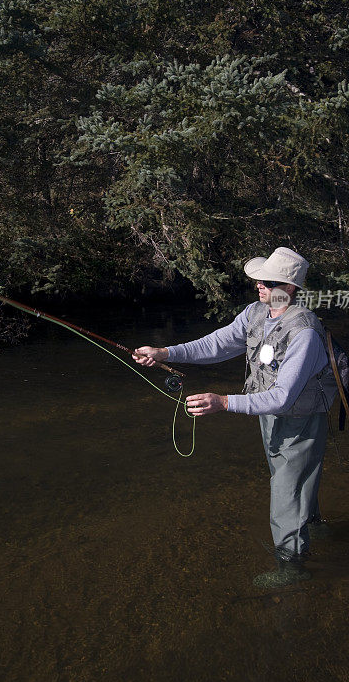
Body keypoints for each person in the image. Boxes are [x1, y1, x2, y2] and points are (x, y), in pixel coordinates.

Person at [132, 246, 338, 588]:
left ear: (288, 288)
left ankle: (291, 566)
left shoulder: (305, 332)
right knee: (291, 478)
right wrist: (165, 352)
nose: (258, 284)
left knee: (284, 491)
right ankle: (313, 526)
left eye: (267, 280)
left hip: (300, 420)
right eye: (258, 278)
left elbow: (284, 396)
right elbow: (215, 344)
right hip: (269, 414)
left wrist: (224, 402)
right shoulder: (256, 312)